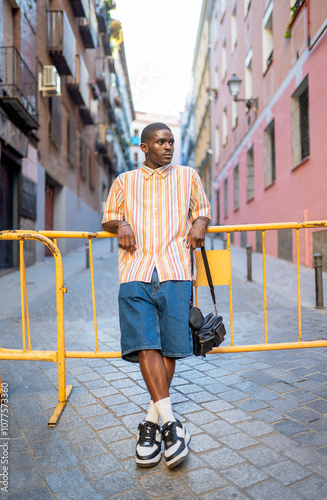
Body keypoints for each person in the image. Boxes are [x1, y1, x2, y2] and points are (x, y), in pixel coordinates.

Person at [102, 122, 211, 469]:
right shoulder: (124, 181)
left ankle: (153, 424)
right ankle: (171, 426)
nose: (168, 147)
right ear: (144, 147)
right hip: (134, 271)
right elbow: (108, 217)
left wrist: (201, 222)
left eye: (171, 142)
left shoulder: (188, 176)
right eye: (160, 142)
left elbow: (203, 209)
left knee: (170, 345)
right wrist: (121, 225)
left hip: (176, 270)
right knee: (145, 343)